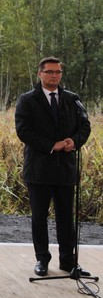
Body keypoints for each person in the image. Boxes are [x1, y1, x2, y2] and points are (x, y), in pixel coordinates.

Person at [15, 56, 91, 277]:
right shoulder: (27, 100)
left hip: (65, 169)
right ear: (40, 74)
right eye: (49, 72)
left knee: (66, 218)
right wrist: (52, 145)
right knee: (39, 217)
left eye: (57, 72)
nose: (54, 76)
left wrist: (74, 142)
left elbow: (84, 126)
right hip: (39, 169)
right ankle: (42, 260)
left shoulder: (73, 99)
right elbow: (23, 131)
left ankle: (68, 262)